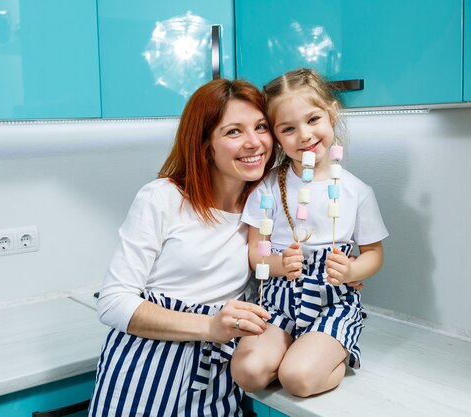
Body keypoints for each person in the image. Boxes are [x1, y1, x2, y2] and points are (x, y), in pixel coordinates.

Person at [89, 79, 275, 417]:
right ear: (205, 145)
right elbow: (113, 303)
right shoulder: (163, 198)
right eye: (234, 132)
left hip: (217, 376)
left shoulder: (262, 207)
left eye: (261, 127)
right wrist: (210, 327)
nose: (255, 143)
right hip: (146, 371)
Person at [231, 68, 389, 398]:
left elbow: (374, 255)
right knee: (246, 372)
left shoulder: (356, 191)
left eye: (313, 119)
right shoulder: (268, 186)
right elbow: (254, 250)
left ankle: (334, 350)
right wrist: (276, 265)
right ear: (275, 136)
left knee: (297, 379)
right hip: (277, 301)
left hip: (331, 303)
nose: (304, 135)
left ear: (331, 113)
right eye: (288, 128)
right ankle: (291, 349)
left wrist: (352, 270)